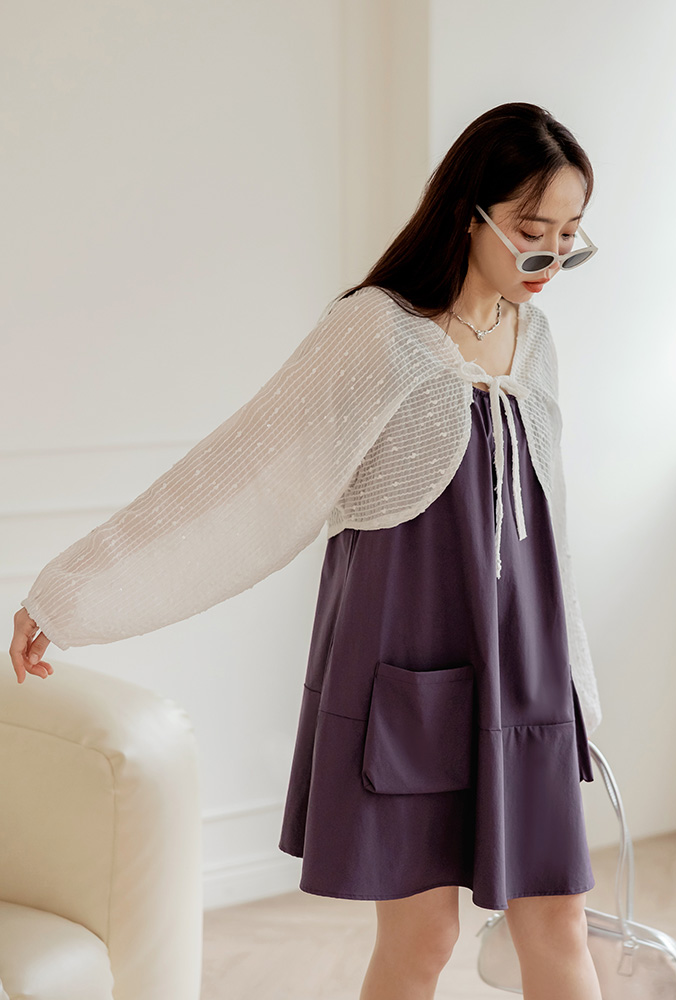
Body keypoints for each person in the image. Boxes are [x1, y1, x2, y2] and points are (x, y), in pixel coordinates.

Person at [9, 101, 604, 1000]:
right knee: (423, 937)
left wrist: (575, 683)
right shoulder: (378, 331)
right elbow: (238, 477)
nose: (550, 261)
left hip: (525, 670)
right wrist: (71, 594)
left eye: (569, 237)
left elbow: (548, 524)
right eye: (531, 234)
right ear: (469, 214)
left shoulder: (538, 340)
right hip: (409, 668)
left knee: (557, 922)